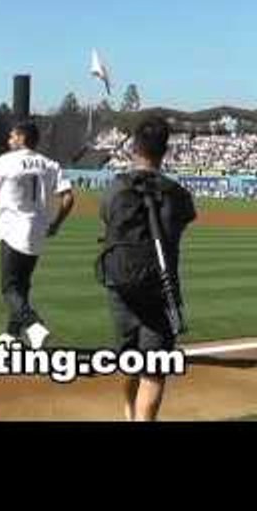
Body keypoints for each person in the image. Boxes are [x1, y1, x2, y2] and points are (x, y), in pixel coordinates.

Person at [95, 116, 196, 421]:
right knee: (153, 371)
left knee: (130, 360)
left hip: (120, 284)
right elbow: (181, 224)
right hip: (160, 288)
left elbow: (106, 224)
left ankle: (129, 412)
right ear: (165, 151)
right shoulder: (179, 195)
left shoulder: (115, 188)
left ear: (135, 147)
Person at [0, 121, 75, 349]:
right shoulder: (49, 164)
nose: (9, 140)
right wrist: (56, 224)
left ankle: (34, 325)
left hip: (13, 229)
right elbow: (68, 197)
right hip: (37, 231)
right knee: (22, 285)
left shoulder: (6, 160)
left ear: (22, 138)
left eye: (12, 137)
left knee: (9, 288)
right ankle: (11, 336)